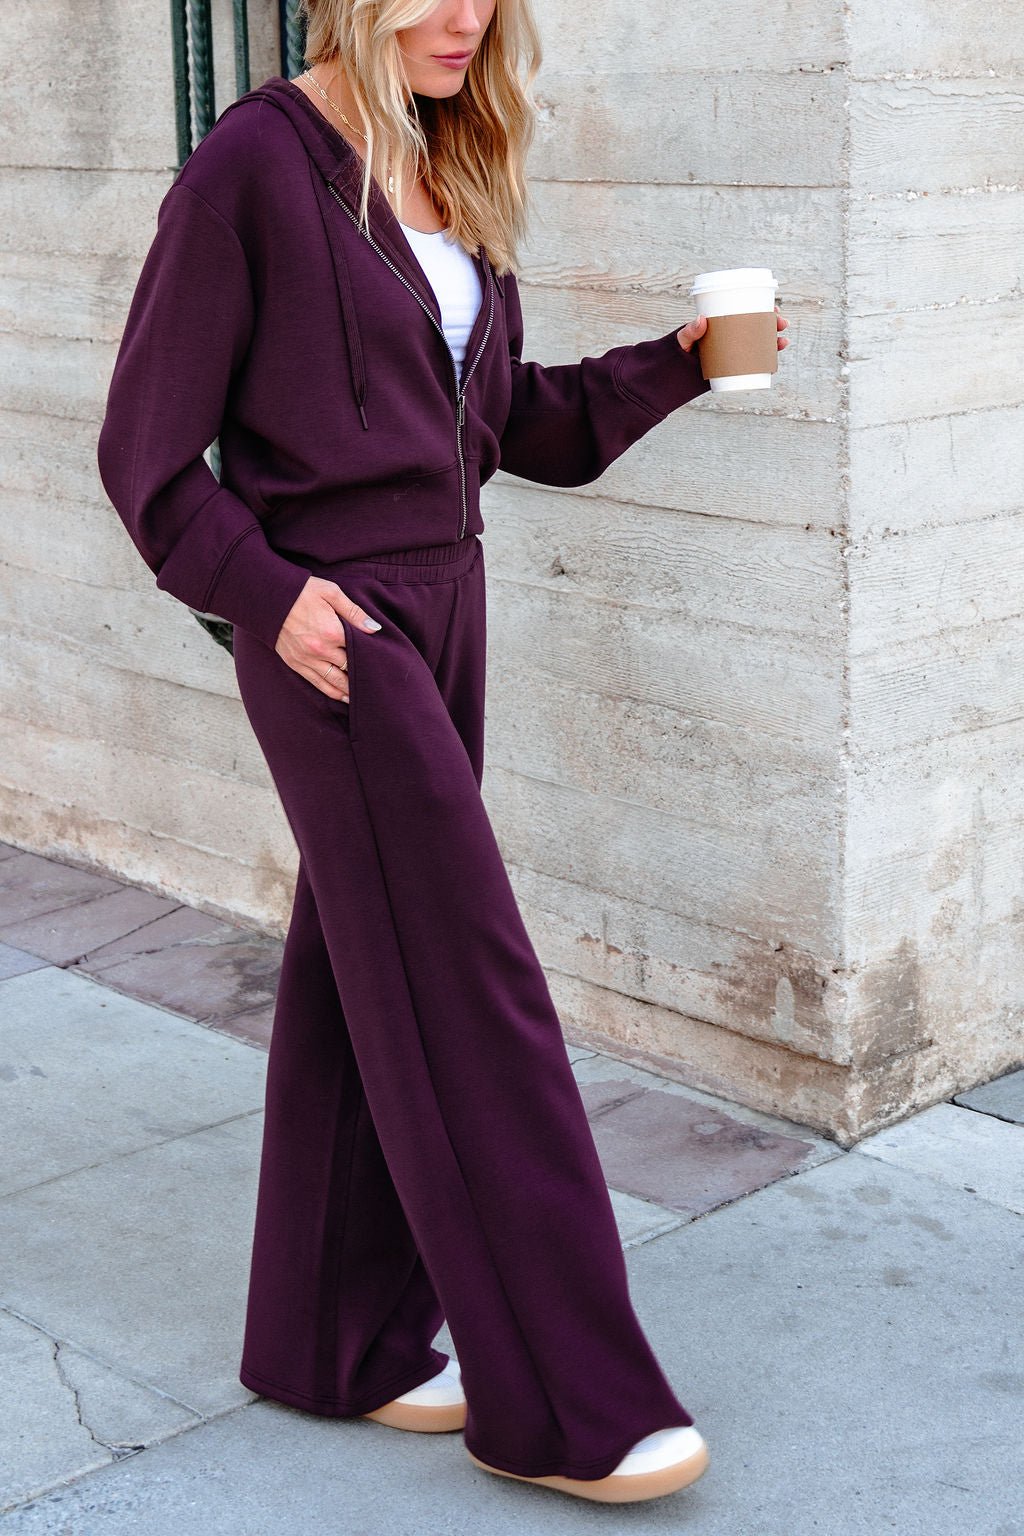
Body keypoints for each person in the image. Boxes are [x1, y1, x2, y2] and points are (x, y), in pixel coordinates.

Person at [97, 0, 790, 1505]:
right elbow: (142, 456)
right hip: (341, 635)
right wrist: (269, 597)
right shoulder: (250, 169)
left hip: (450, 604)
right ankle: (570, 1403)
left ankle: (332, 1341)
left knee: (366, 974)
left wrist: (677, 362)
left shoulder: (444, 166)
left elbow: (507, 429)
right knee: (472, 990)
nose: (462, 14)